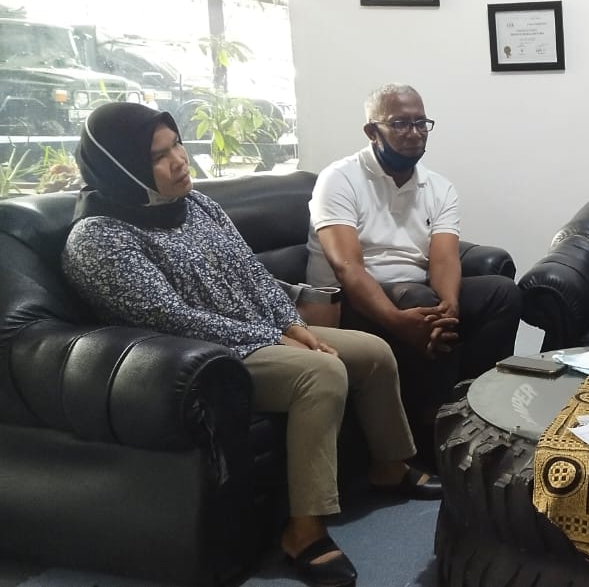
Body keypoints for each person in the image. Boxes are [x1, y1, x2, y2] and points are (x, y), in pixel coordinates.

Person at [61, 102, 442, 587]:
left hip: (261, 333)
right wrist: (272, 338)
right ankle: (304, 531)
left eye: (177, 144)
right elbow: (170, 318)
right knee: (321, 374)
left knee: (371, 352)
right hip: (202, 359)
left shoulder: (196, 205)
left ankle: (390, 465)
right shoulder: (99, 237)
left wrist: (293, 326)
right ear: (121, 167)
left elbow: (254, 275)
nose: (179, 161)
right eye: (159, 156)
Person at [306, 83, 521, 462]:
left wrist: (450, 305)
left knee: (501, 293)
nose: (414, 133)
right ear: (372, 131)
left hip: (416, 290)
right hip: (353, 299)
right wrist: (396, 320)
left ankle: (476, 411)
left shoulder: (438, 187)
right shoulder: (339, 179)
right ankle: (431, 434)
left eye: (421, 123)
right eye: (400, 123)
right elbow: (347, 266)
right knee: (420, 301)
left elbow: (444, 259)